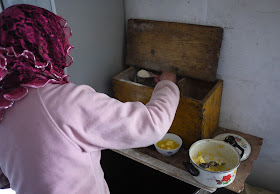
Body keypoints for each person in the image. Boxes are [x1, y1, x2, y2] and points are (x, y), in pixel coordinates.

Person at [0, 4, 180, 194]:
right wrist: (168, 84)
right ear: (47, 44)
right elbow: (152, 125)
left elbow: (5, 177)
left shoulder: (4, 106)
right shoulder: (64, 102)